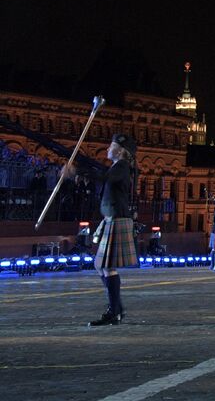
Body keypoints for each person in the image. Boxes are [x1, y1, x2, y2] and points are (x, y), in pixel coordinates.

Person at [64, 133, 140, 326]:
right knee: (101, 265)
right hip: (110, 218)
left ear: (121, 151)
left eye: (111, 145)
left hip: (117, 219)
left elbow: (103, 176)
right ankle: (117, 308)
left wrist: (76, 172)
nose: (107, 148)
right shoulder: (118, 167)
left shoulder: (122, 166)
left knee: (107, 266)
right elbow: (102, 173)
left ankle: (114, 311)